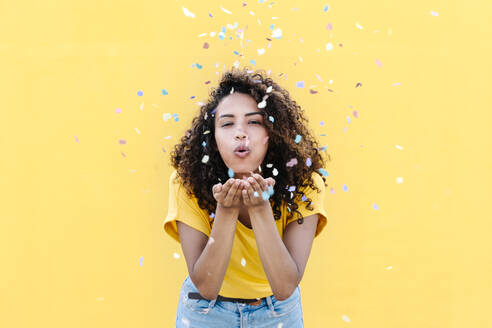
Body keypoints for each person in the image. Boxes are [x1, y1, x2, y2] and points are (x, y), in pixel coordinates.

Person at [163, 67, 330, 327]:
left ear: (272, 133)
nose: (241, 132)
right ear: (213, 138)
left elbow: (285, 285)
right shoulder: (187, 182)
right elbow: (206, 285)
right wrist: (226, 212)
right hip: (205, 312)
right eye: (227, 123)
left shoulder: (305, 184)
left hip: (278, 313)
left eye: (254, 121)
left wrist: (260, 208)